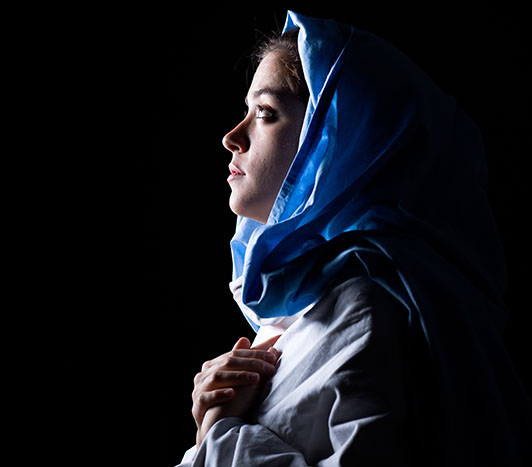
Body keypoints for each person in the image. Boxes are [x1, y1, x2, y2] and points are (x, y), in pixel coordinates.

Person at [178, 11, 532, 466]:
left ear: (332, 142)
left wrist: (221, 435)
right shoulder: (305, 315)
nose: (232, 137)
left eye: (265, 113)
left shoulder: (374, 305)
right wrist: (212, 428)